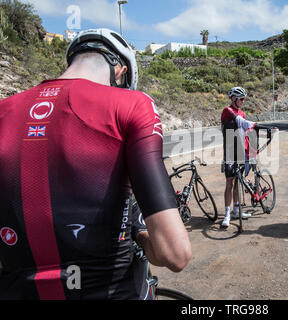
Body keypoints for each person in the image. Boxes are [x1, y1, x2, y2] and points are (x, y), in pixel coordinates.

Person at [0, 28, 191, 299]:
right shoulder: (132, 104)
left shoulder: (4, 109)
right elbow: (174, 253)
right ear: (120, 71)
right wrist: (139, 234)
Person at [220, 87, 275, 228]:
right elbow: (244, 124)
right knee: (229, 182)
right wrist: (262, 126)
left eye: (244, 99)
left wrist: (258, 140)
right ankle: (227, 214)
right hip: (230, 152)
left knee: (239, 181)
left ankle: (236, 210)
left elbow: (246, 131)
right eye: (241, 99)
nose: (243, 101)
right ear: (233, 99)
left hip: (241, 151)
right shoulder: (228, 111)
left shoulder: (242, 113)